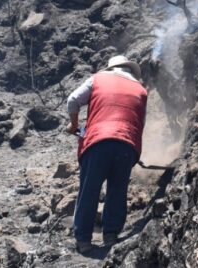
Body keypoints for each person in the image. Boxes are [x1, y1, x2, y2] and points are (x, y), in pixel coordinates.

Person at [65, 55, 147, 254]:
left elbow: (73, 101)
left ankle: (84, 240)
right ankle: (111, 236)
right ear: (131, 71)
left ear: (112, 68)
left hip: (97, 142)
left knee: (89, 189)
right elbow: (140, 124)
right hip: (127, 145)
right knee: (118, 190)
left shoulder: (98, 78)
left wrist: (74, 125)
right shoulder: (141, 90)